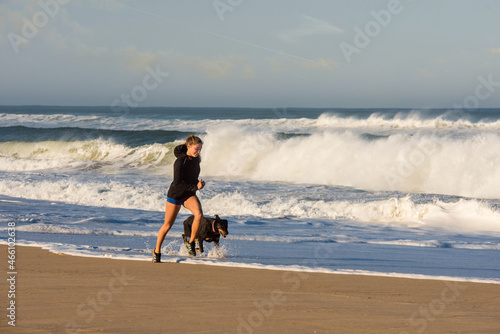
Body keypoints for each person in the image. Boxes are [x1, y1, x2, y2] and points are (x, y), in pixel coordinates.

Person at [152, 135, 205, 262]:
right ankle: (157, 251)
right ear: (189, 146)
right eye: (196, 149)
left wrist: (198, 184)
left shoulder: (196, 160)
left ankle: (191, 243)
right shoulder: (180, 161)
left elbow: (191, 178)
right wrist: (195, 187)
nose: (198, 152)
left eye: (200, 149)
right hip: (176, 194)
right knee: (168, 225)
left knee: (198, 214)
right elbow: (178, 183)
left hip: (188, 194)